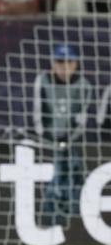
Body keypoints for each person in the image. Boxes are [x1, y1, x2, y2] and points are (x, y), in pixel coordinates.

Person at [32, 44, 92, 224]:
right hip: (46, 141)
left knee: (73, 176)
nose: (64, 67)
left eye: (69, 62)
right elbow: (38, 112)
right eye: (59, 62)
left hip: (72, 142)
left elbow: (82, 118)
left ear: (75, 64)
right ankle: (48, 219)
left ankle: (74, 220)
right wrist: (47, 138)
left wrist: (68, 139)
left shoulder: (83, 85)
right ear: (53, 64)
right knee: (51, 179)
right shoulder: (43, 81)